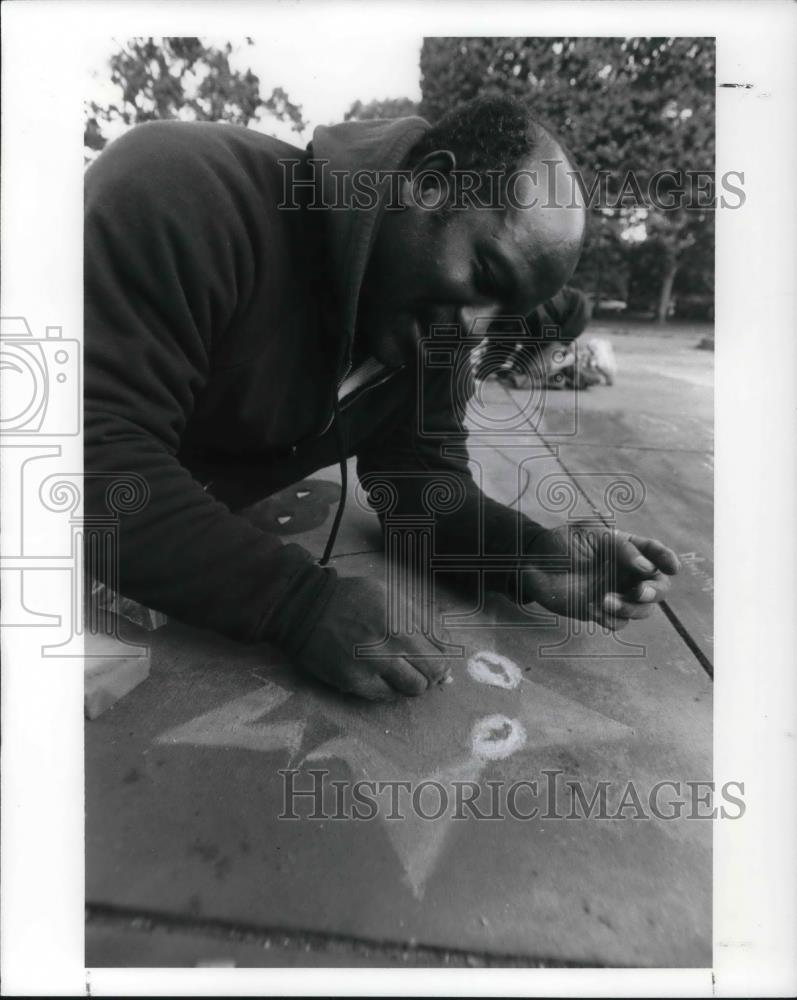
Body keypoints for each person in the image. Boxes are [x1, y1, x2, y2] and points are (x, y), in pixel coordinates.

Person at [84, 95, 679, 701]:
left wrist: (526, 552)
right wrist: (296, 602)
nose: (478, 328)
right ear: (430, 185)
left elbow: (419, 480)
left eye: (505, 317)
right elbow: (84, 465)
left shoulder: (432, 331)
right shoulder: (182, 190)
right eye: (487, 275)